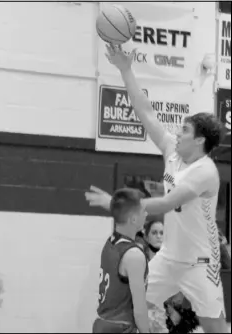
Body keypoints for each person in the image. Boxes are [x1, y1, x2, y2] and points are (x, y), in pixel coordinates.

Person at [85, 44, 228, 333]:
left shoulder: (205, 172)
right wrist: (125, 69)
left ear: (200, 141)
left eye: (185, 131)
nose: (177, 133)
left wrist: (115, 202)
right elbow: (145, 111)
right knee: (131, 307)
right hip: (168, 258)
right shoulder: (172, 152)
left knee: (216, 329)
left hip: (201, 263)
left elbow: (165, 204)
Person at [93, 188, 150, 333]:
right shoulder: (134, 255)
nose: (147, 214)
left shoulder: (111, 242)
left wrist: (112, 203)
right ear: (134, 219)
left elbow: (123, 212)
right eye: (143, 210)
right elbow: (139, 309)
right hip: (120, 327)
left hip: (102, 324)